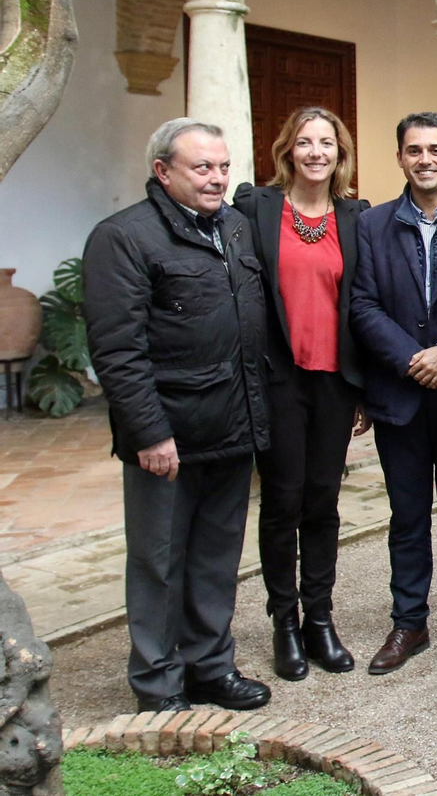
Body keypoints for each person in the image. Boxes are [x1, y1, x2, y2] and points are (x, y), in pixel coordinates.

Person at [83, 119, 272, 712]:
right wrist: (149, 432)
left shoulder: (235, 227)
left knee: (216, 560)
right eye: (202, 167)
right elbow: (118, 350)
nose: (217, 178)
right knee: (159, 563)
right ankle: (159, 684)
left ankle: (210, 667)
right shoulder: (123, 237)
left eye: (223, 166)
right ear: (163, 171)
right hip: (167, 439)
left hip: (231, 426)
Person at [232, 107, 370, 683]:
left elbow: (362, 303)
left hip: (335, 380)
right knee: (283, 500)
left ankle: (320, 618)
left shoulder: (356, 217)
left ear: (341, 154)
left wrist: (364, 387)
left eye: (327, 143)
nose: (317, 152)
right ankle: (284, 622)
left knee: (322, 501)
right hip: (278, 379)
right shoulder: (256, 209)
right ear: (288, 149)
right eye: (306, 142)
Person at [349, 112, 437, 676]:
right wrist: (415, 358)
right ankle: (409, 622)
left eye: (435, 149)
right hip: (400, 394)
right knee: (406, 517)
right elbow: (362, 304)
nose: (425, 159)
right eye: (414, 150)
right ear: (400, 157)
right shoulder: (371, 224)